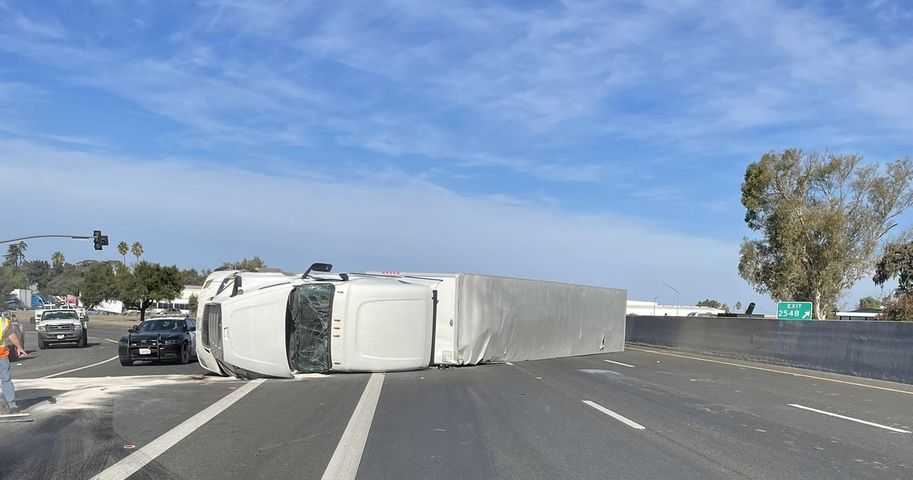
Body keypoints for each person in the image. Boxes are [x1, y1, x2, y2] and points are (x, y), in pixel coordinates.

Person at [0, 312, 29, 413]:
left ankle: (11, 404)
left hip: (2, 355)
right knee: (6, 379)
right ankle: (9, 404)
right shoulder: (3, 321)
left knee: (6, 379)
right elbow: (12, 335)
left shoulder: (4, 322)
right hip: (2, 355)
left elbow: (12, 335)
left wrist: (19, 347)